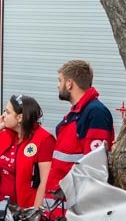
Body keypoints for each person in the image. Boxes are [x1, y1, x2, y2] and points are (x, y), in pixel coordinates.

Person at [48, 59, 115, 200]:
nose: (57, 85)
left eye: (60, 80)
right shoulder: (78, 113)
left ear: (69, 83)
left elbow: (93, 166)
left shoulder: (95, 113)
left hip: (78, 201)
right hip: (65, 198)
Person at [0, 95, 54, 209]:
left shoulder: (44, 139)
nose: (3, 115)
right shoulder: (5, 135)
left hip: (25, 211)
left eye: (7, 112)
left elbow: (45, 182)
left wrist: (35, 212)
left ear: (20, 117)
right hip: (1, 207)